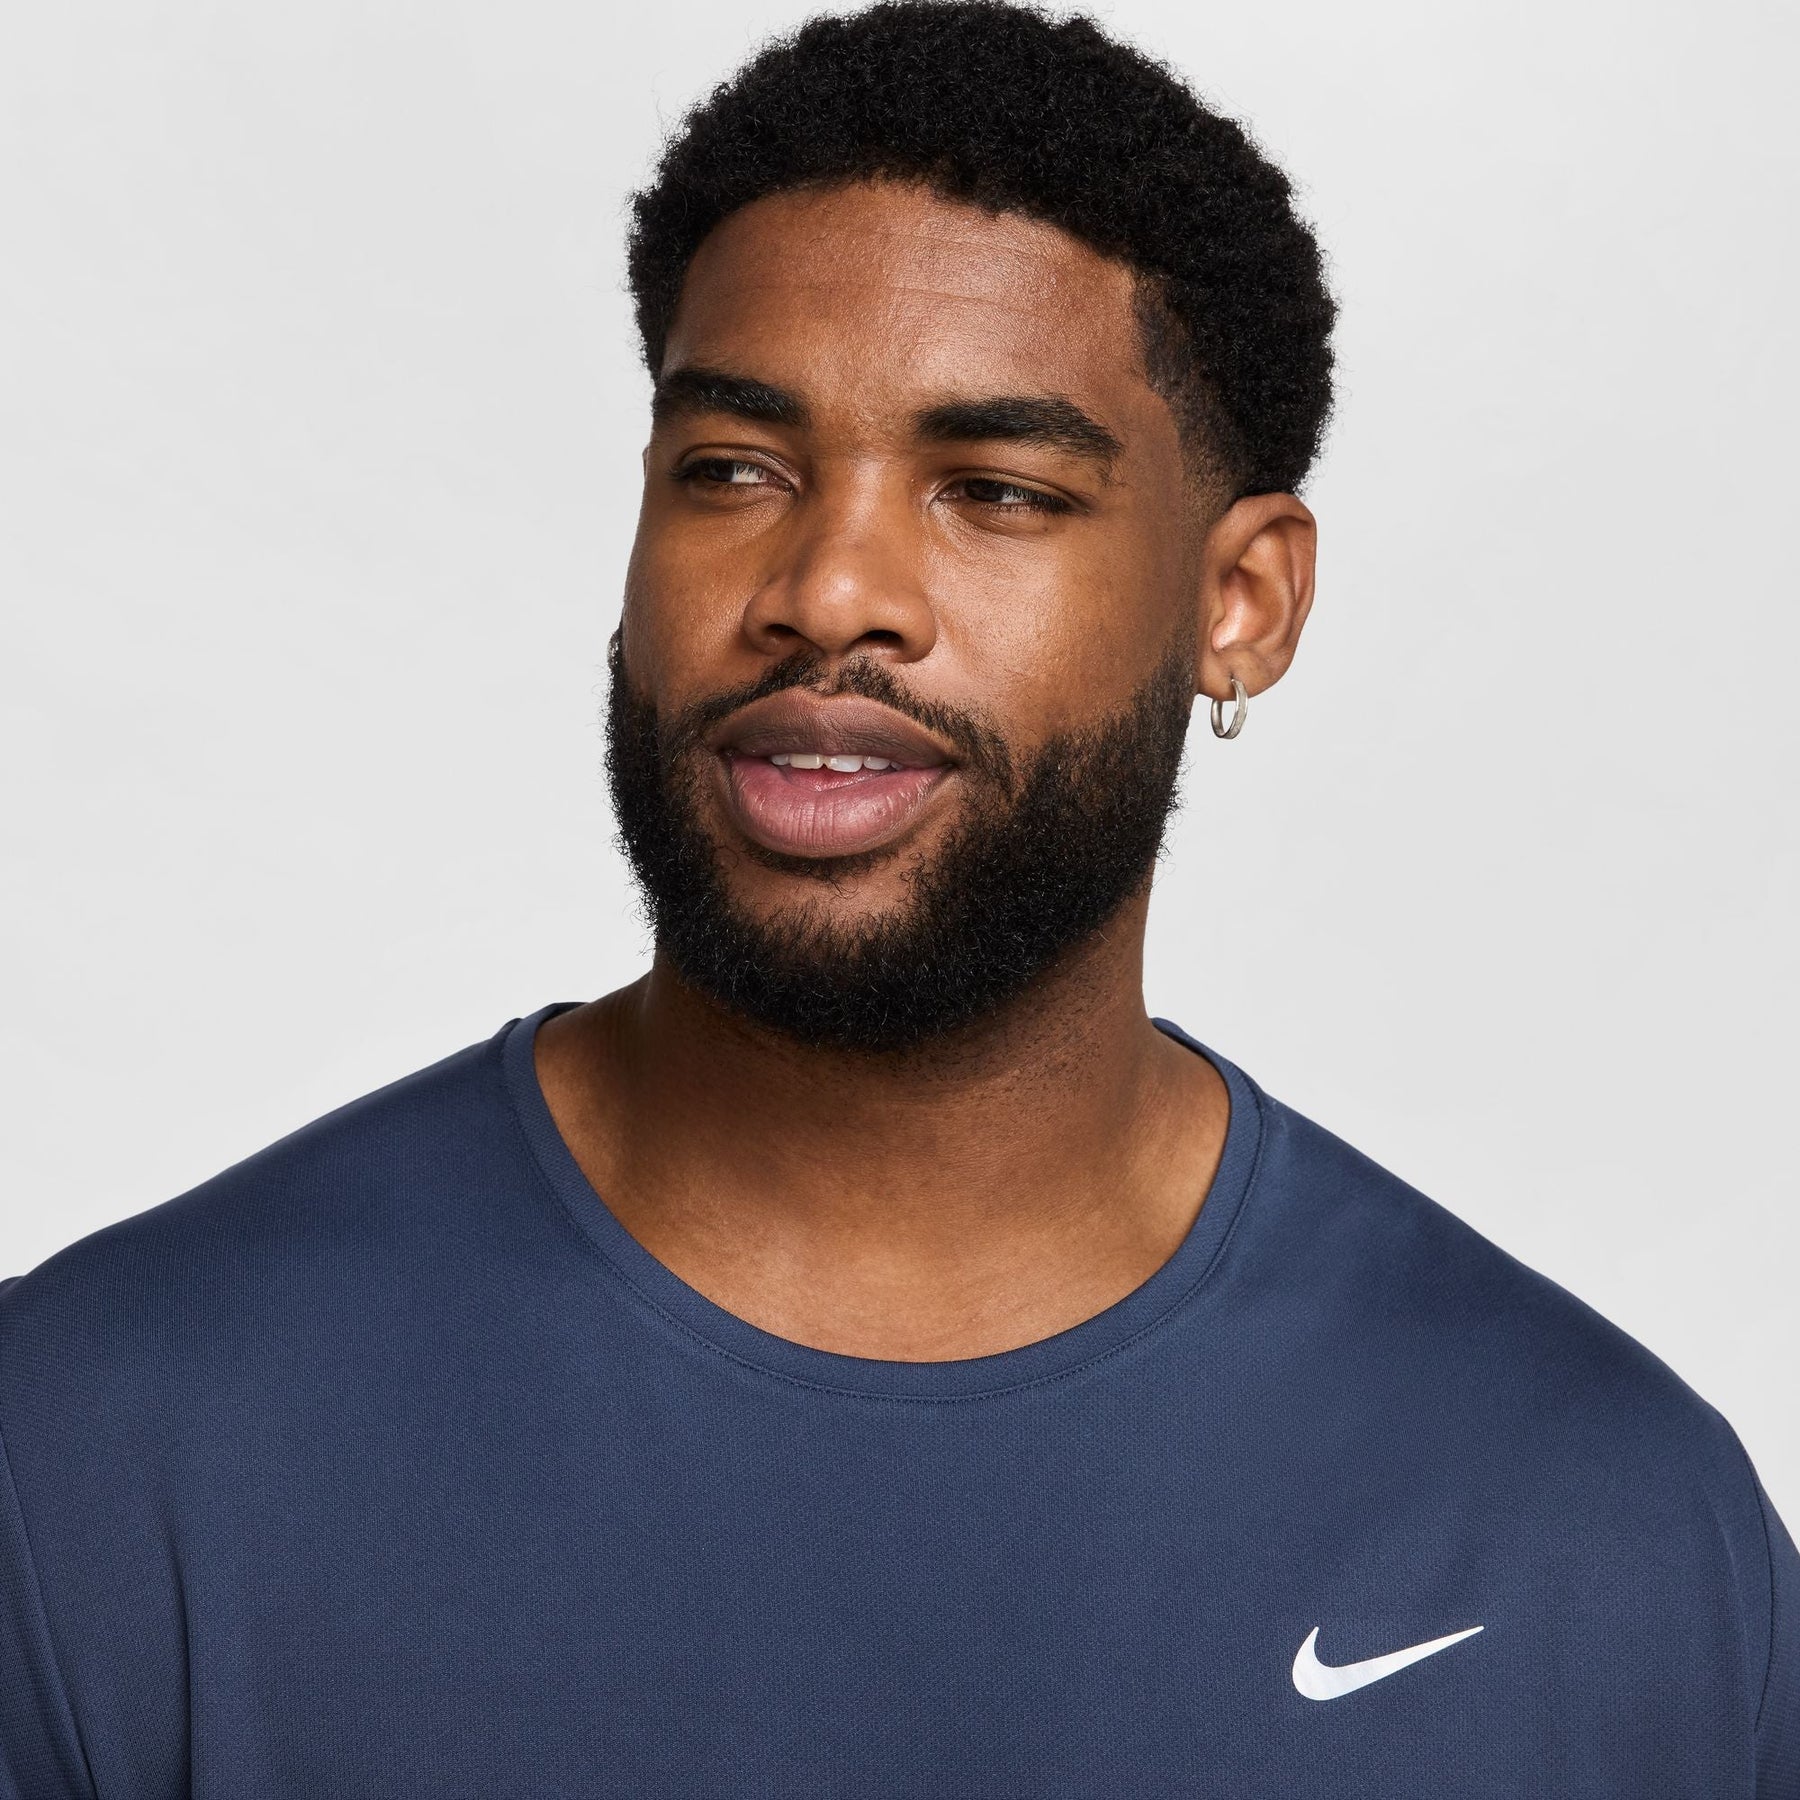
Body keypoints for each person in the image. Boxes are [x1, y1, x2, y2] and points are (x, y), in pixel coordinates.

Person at [2, 1, 1793, 1793]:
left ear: (1241, 601)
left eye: (993, 490)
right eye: (734, 470)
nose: (828, 587)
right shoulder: (97, 1446)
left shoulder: (1607, 1539)